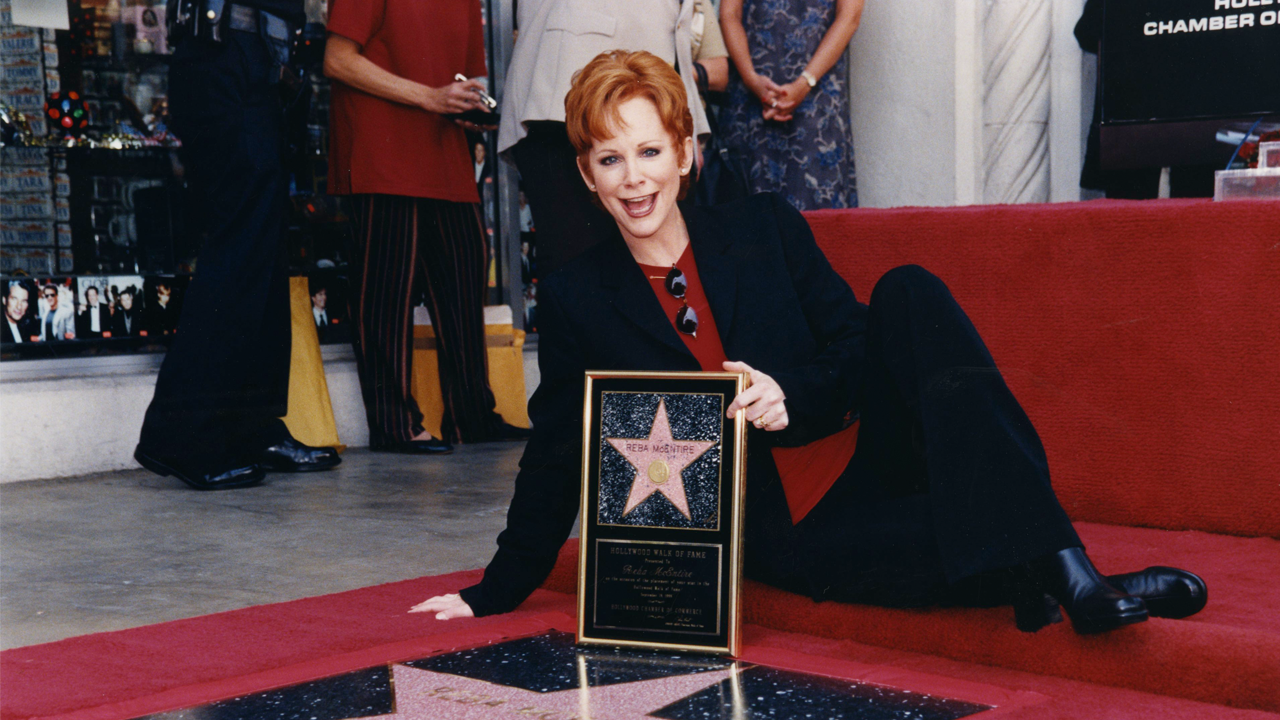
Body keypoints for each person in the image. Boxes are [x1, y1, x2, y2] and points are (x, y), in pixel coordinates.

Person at [415, 50, 1207, 634]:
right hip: (784, 530)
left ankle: (1065, 571)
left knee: (909, 290)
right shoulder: (580, 296)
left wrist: (790, 392)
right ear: (586, 174)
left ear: (686, 155)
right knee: (961, 541)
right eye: (610, 159)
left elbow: (858, 348)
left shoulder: (763, 228)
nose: (633, 179)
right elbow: (560, 449)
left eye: (650, 151)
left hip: (864, 458)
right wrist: (496, 588)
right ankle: (1071, 578)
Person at [134, 0, 340, 491]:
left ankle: (252, 426)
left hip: (254, 59)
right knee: (242, 243)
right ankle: (181, 432)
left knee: (263, 248)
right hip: (225, 53)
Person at [324, 0, 528, 453]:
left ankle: (472, 414)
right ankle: (393, 423)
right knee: (384, 293)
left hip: (444, 151)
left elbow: (462, 80)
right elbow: (337, 59)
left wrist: (472, 107)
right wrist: (430, 97)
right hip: (382, 148)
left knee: (464, 275)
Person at [498, 0, 713, 278]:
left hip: (658, 97)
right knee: (579, 278)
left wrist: (685, 124)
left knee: (666, 269)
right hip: (565, 99)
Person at [719, 0, 862, 210]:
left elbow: (848, 18)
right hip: (752, 97)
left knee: (820, 212)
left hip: (818, 101)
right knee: (751, 212)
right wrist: (751, 78)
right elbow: (729, 14)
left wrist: (804, 83)